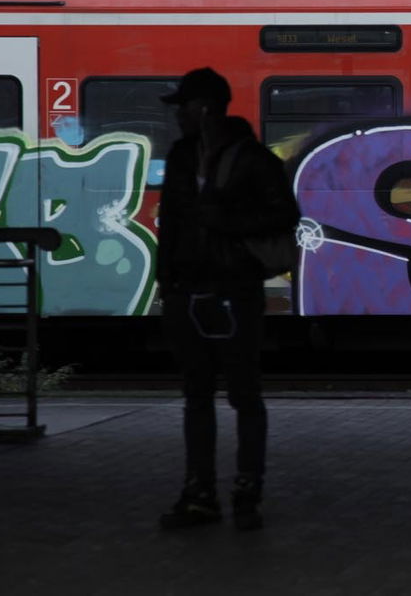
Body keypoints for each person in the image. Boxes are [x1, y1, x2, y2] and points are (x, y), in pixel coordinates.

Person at [155, 67, 301, 531]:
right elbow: (171, 227)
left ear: (203, 109)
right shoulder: (181, 158)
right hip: (191, 293)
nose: (177, 116)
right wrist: (167, 285)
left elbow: (284, 218)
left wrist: (224, 219)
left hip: (235, 292)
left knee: (243, 396)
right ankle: (200, 493)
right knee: (198, 396)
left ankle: (245, 492)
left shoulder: (253, 160)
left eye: (182, 107)